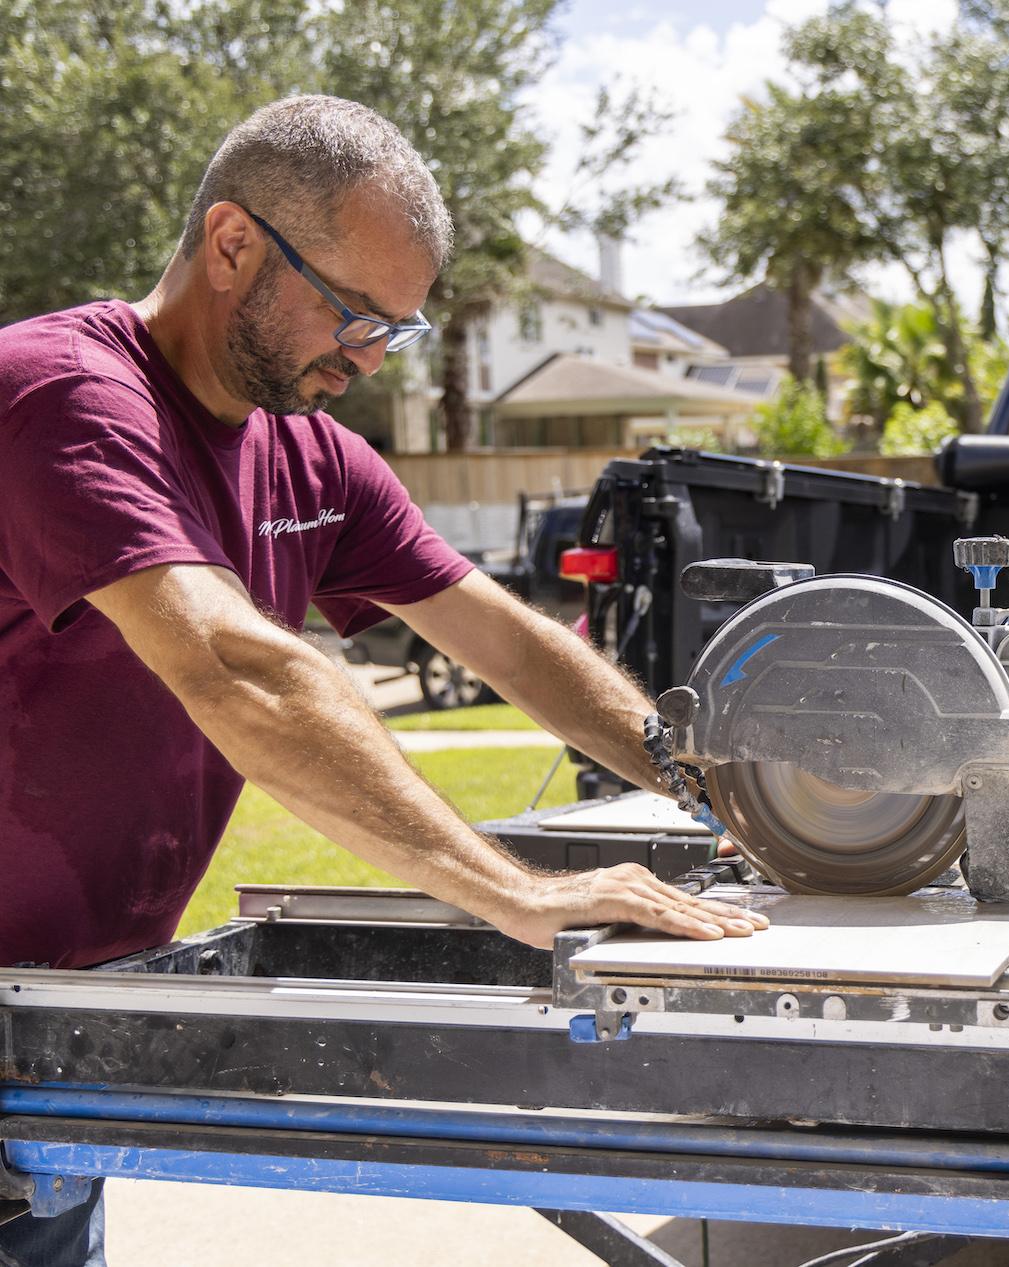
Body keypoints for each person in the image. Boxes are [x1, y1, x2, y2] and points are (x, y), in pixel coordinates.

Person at [0, 95, 766, 1266]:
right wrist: (513, 890)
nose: (363, 359)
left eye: (392, 332)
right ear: (232, 245)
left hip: (60, 1010)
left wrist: (714, 787)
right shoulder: (62, 398)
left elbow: (507, 645)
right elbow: (237, 665)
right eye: (354, 315)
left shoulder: (311, 454)